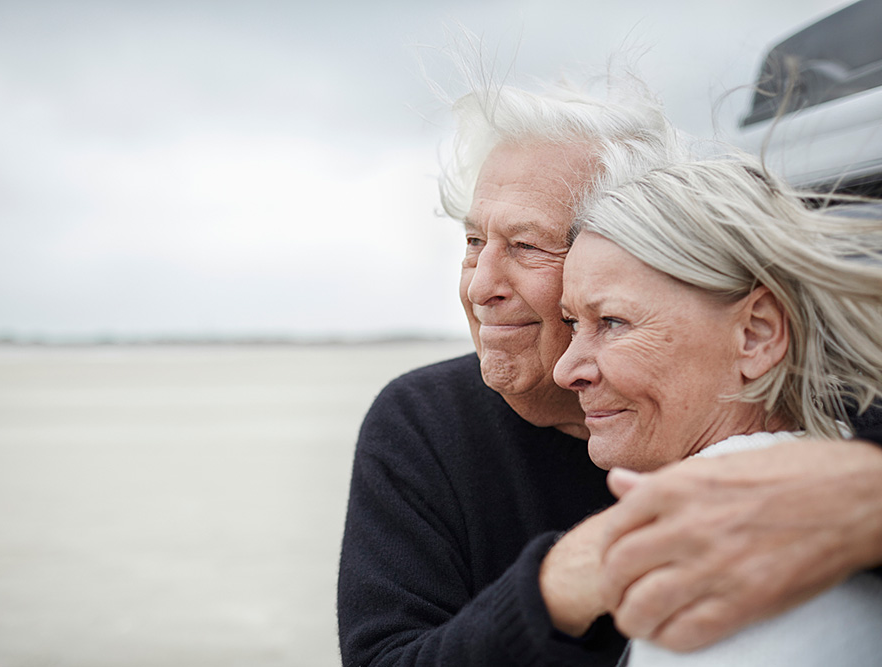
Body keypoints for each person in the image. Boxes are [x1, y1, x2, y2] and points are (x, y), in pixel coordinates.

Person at [336, 69, 882, 667]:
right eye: (472, 240)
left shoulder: (847, 410)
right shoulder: (426, 422)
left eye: (526, 245)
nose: (480, 285)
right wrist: (567, 578)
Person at [552, 155, 882, 665]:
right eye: (572, 322)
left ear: (757, 334)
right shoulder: (831, 497)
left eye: (613, 321)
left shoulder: (727, 569)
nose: (565, 369)